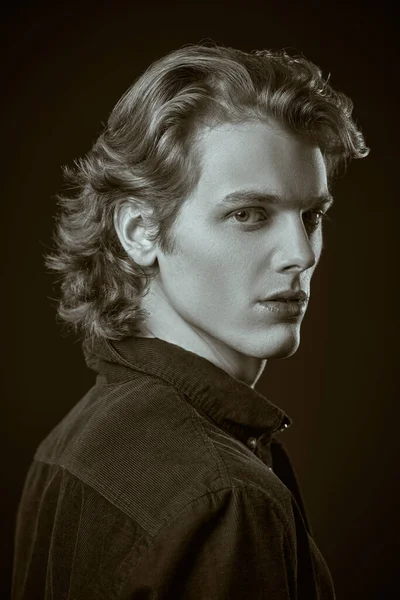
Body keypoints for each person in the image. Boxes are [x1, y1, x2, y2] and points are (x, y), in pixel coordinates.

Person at [12, 44, 369, 599]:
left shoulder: (72, 439)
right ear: (141, 232)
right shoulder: (226, 497)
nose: (300, 252)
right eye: (248, 214)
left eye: (311, 216)